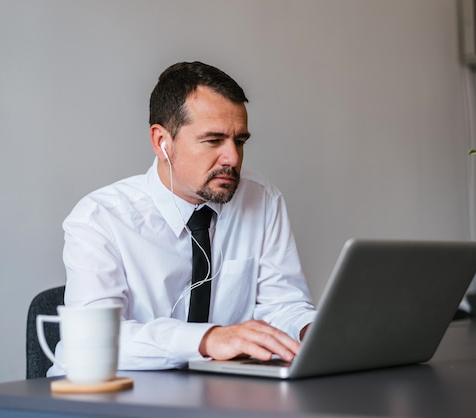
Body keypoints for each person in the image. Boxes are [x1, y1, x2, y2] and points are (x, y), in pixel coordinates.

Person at [48, 61, 316, 374]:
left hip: (218, 395)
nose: (232, 158)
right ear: (162, 142)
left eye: (239, 141)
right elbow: (94, 341)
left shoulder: (262, 199)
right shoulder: (100, 218)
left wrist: (311, 330)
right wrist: (208, 339)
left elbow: (282, 305)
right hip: (110, 396)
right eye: (213, 140)